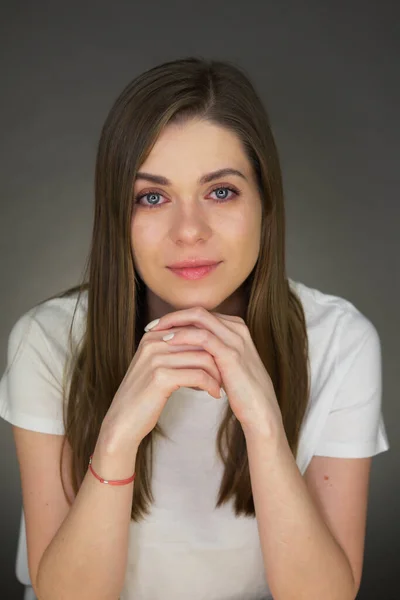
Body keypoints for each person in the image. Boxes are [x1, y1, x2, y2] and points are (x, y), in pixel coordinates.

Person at [0, 56, 390, 600]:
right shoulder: (46, 340)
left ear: (265, 203)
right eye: (152, 197)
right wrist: (116, 438)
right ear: (119, 215)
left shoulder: (340, 340)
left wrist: (265, 427)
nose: (189, 231)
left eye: (221, 191)